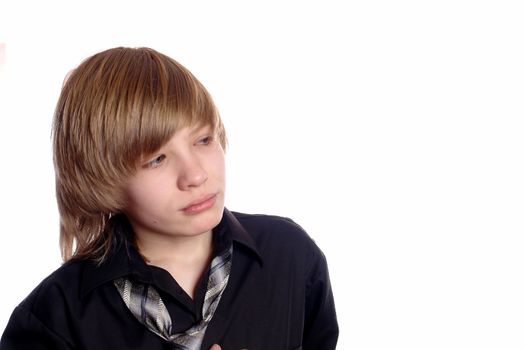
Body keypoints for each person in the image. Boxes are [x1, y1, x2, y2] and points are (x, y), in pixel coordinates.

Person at [0, 47, 338, 350]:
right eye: (156, 159)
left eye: (204, 140)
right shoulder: (54, 319)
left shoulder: (290, 257)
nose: (195, 175)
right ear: (101, 178)